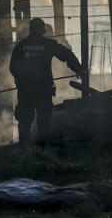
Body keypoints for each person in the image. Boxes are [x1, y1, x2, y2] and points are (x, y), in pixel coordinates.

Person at [9, 17, 84, 146]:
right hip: (44, 89)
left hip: (26, 90)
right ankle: (42, 149)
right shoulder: (48, 45)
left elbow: (13, 67)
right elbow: (67, 55)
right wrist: (79, 69)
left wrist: (22, 80)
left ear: (30, 30)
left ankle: (25, 148)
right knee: (43, 121)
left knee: (25, 120)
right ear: (43, 31)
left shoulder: (21, 47)